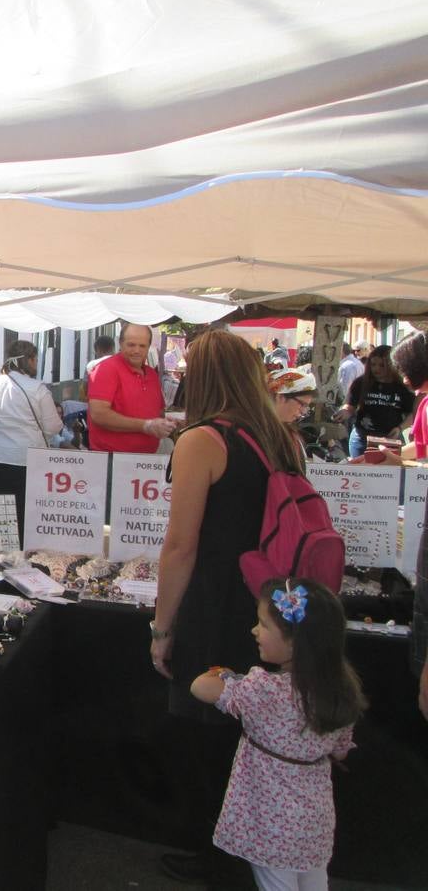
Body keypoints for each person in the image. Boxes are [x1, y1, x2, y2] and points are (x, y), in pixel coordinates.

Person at [151, 329, 305, 884]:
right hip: (272, 607)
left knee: (210, 734)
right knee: (255, 735)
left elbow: (180, 546)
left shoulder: (202, 440)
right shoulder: (280, 436)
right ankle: (250, 853)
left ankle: (222, 858)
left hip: (215, 606)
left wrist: (162, 628)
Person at [190, 579, 365, 891]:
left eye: (263, 625)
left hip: (270, 823)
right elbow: (340, 751)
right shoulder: (342, 690)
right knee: (313, 883)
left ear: (296, 642)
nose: (255, 630)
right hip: (315, 821)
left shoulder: (265, 690)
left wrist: (222, 673)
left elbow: (199, 687)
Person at [361, 331, 428, 721]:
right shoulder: (423, 404)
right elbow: (418, 449)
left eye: (405, 368)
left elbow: (419, 457)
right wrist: (383, 456)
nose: (401, 375)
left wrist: (394, 461)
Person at [0, 340, 62, 540]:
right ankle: (19, 566)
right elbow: (53, 427)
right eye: (35, 359)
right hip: (25, 462)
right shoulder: (38, 388)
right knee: (21, 522)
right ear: (30, 360)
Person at [87, 323, 176, 453]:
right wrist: (145, 426)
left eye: (142, 346)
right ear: (120, 344)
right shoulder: (106, 369)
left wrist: (167, 423)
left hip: (146, 460)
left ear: (148, 347)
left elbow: (157, 412)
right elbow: (99, 414)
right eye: (131, 345)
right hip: (112, 461)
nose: (136, 350)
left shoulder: (151, 374)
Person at [332, 344, 415, 457]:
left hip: (390, 439)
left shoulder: (401, 387)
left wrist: (400, 428)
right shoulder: (361, 382)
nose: (376, 369)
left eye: (382, 365)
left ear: (392, 365)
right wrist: (344, 412)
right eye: (373, 364)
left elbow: (412, 413)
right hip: (362, 439)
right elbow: (350, 406)